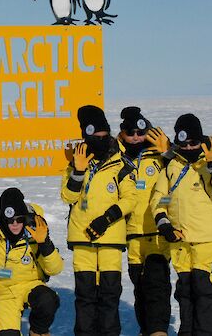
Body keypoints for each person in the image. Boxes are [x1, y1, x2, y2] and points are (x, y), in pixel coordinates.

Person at [150, 113, 212, 336]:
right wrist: (164, 224)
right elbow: (162, 198)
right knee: (185, 291)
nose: (188, 147)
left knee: (203, 288)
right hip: (180, 241)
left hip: (207, 239)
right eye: (183, 143)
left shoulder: (208, 166)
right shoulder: (172, 167)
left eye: (193, 143)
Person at [60, 105, 136, 336]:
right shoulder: (76, 162)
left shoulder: (120, 163)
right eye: (96, 137)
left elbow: (131, 198)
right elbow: (68, 196)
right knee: (84, 296)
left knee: (109, 294)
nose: (101, 141)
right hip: (82, 237)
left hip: (110, 238)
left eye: (105, 136)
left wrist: (107, 219)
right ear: (86, 136)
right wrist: (78, 172)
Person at [0, 188, 63, 336]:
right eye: (10, 220)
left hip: (29, 285)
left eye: (19, 219)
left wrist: (45, 243)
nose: (15, 224)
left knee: (48, 300)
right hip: (3, 294)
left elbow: (55, 269)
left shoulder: (35, 235)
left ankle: (38, 331)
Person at [117, 107, 172, 336]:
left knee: (157, 284)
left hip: (158, 230)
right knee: (140, 288)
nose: (137, 137)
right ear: (122, 133)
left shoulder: (160, 152)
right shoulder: (115, 155)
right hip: (132, 233)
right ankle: (146, 329)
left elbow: (180, 176)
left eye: (141, 132)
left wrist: (168, 153)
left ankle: (158, 331)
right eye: (131, 133)